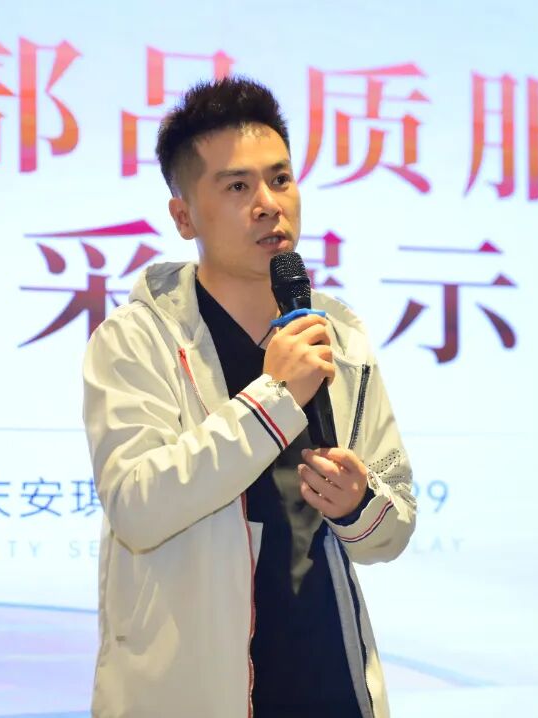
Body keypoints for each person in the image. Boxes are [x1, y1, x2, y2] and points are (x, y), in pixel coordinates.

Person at [82, 76, 416, 718]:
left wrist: (358, 503)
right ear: (184, 216)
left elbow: (393, 525)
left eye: (280, 179)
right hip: (191, 692)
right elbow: (137, 508)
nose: (268, 204)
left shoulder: (339, 333)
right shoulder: (137, 338)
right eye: (237, 187)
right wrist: (275, 398)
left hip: (331, 683)